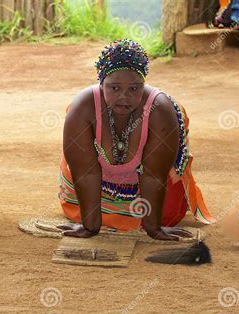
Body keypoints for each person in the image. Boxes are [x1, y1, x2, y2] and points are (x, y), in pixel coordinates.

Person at [58, 39, 215, 241]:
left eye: (134, 88)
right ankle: (101, 213)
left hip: (145, 182)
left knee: (169, 215)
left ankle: (141, 216)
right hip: (93, 181)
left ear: (144, 84)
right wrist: (90, 226)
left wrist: (154, 228)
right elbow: (86, 174)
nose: (124, 96)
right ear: (101, 84)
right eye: (114, 88)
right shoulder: (83, 107)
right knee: (79, 211)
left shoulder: (159, 109)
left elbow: (153, 176)